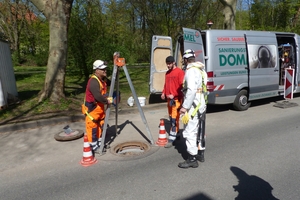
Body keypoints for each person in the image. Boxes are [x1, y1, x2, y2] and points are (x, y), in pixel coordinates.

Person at [178, 49, 208, 168]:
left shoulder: (190, 71)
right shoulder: (201, 70)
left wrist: (184, 107)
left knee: (190, 131)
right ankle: (200, 153)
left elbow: (191, 90)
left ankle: (192, 158)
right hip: (202, 104)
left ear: (186, 60)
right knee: (200, 129)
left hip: (193, 105)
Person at [82, 60, 112, 155]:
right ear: (97, 70)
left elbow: (110, 83)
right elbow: (97, 96)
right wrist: (107, 101)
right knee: (93, 128)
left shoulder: (102, 80)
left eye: (105, 68)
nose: (105, 70)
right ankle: (93, 146)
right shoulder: (94, 81)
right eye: (102, 69)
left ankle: (99, 143)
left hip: (99, 108)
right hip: (92, 108)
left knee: (99, 126)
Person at [161, 56, 185, 148]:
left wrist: (174, 94)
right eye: (167, 64)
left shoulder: (179, 72)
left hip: (176, 100)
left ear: (174, 62)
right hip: (169, 100)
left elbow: (181, 87)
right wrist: (164, 93)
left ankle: (171, 139)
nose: (168, 65)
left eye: (169, 63)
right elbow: (166, 85)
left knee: (173, 119)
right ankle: (177, 133)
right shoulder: (167, 73)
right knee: (171, 116)